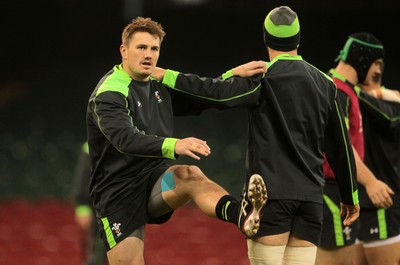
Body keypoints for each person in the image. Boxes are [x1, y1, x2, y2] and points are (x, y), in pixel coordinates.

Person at [152, 6, 359, 264]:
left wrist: (165, 75)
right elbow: (340, 145)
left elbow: (213, 93)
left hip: (270, 198)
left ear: (265, 38)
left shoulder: (262, 79)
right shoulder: (325, 85)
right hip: (310, 201)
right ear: (298, 39)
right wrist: (350, 196)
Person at [86, 17, 268, 265]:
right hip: (117, 195)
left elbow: (201, 94)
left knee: (189, 174)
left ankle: (242, 215)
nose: (148, 54)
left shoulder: (158, 82)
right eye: (141, 47)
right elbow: (124, 139)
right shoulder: (110, 92)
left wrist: (231, 74)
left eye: (154, 49)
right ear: (124, 50)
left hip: (154, 180)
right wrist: (175, 144)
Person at [315, 32, 395, 265]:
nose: (377, 72)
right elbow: (342, 147)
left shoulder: (342, 88)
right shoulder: (338, 92)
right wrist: (371, 181)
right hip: (332, 191)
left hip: (335, 190)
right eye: (376, 65)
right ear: (364, 60)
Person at [351, 65, 400, 265]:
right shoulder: (349, 104)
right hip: (354, 206)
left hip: (381, 205)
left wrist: (379, 93)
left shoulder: (391, 106)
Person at [72, 142, 108, 265]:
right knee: (97, 249)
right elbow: (82, 179)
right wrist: (82, 207)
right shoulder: (90, 146)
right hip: (98, 209)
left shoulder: (129, 141)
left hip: (121, 208)